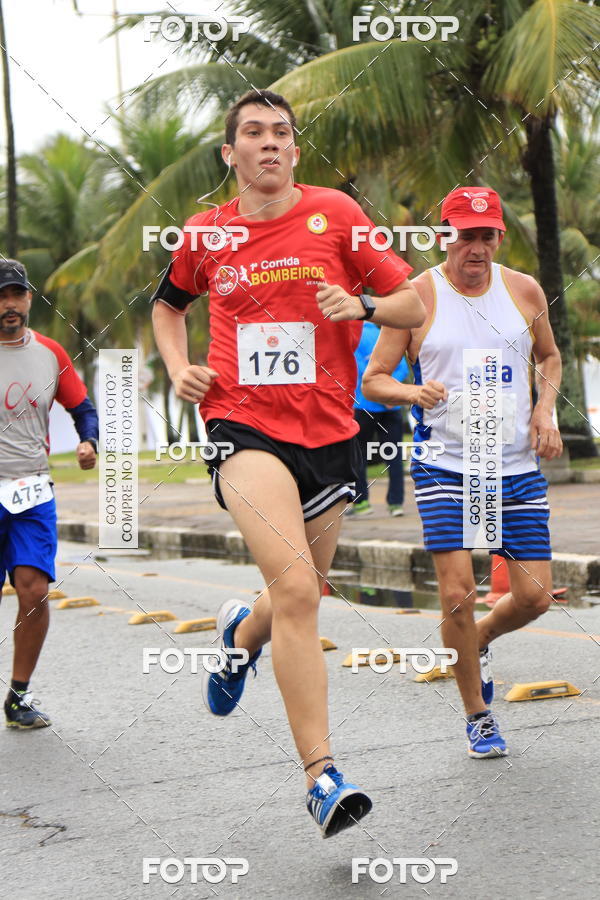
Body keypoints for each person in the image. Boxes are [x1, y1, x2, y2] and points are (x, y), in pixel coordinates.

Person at [151, 89, 425, 836]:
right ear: (229, 154)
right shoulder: (205, 234)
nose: (268, 143)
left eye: (280, 133)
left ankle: (241, 632)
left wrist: (361, 308)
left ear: (295, 151)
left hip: (331, 432)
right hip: (243, 425)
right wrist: (179, 368)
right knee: (299, 589)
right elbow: (168, 306)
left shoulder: (334, 214)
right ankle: (321, 776)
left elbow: (412, 304)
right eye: (252, 133)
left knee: (302, 587)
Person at [362, 187, 562, 758]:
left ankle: (478, 642)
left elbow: (548, 356)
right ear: (443, 235)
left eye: (487, 235)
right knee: (456, 594)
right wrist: (409, 390)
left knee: (535, 597)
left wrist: (544, 409)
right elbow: (373, 379)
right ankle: (477, 714)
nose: (476, 247)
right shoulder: (416, 297)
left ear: (499, 237)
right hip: (446, 464)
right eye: (464, 234)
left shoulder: (523, 290)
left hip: (514, 465)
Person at [0, 259, 98, 728]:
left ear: (29, 300)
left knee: (34, 592)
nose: (9, 305)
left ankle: (18, 695)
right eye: (0, 297)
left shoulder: (51, 354)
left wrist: (88, 440)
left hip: (33, 491)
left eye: (16, 295)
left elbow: (84, 408)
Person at [349, 320, 409, 516]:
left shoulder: (354, 336)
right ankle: (396, 504)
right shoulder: (386, 334)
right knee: (393, 456)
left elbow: (355, 370)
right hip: (391, 406)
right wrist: (389, 389)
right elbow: (402, 368)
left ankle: (362, 503)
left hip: (363, 405)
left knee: (358, 456)